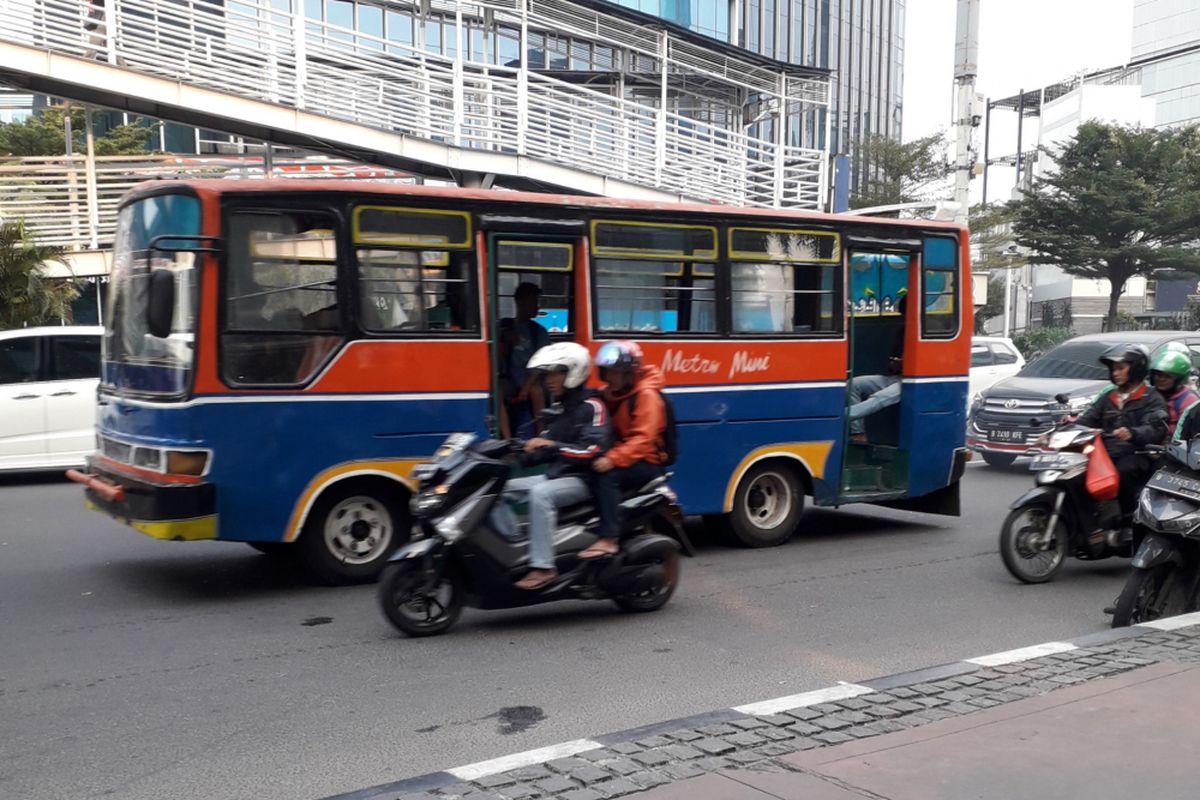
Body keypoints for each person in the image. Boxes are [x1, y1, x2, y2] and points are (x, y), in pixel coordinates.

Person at [492, 342, 611, 590]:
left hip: (583, 480)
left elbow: (592, 451)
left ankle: (543, 567)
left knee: (540, 494)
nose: (549, 380)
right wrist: (518, 453)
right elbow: (545, 447)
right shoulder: (560, 408)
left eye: (556, 373)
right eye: (547, 375)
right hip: (557, 475)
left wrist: (552, 446)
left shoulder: (593, 406)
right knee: (498, 491)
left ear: (574, 372)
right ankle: (519, 551)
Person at [583, 341, 669, 560]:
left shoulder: (646, 395)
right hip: (627, 456)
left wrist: (612, 459)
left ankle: (609, 538)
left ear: (630, 373)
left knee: (606, 475)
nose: (610, 377)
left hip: (647, 462)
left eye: (616, 372)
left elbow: (643, 439)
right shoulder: (611, 394)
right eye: (607, 372)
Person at [1076, 344, 1167, 532]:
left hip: (1138, 453)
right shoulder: (1109, 397)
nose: (1115, 373)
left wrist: (1133, 433)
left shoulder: (1152, 397)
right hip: (1105, 453)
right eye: (1113, 369)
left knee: (1124, 470)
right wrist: (1064, 428)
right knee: (1075, 471)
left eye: (1120, 368)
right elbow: (1088, 419)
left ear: (1136, 368)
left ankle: (1128, 520)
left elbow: (1154, 428)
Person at [847, 295, 906, 443]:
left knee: (880, 398)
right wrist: (896, 363)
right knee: (853, 384)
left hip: (913, 382)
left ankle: (840, 416)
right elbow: (892, 361)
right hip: (895, 377)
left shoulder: (930, 328)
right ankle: (858, 433)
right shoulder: (903, 331)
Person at [498, 282, 550, 439]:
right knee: (498, 391)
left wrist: (525, 391)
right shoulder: (504, 326)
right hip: (510, 378)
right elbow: (497, 359)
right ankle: (507, 439)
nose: (537, 306)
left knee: (537, 391)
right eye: (533, 301)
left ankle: (540, 437)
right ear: (519, 302)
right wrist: (505, 342)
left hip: (531, 378)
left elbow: (540, 365)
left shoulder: (539, 331)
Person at [1148, 349, 1198, 442]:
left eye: (1167, 376)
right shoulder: (1149, 395)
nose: (1161, 379)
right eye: (1158, 375)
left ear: (1179, 379)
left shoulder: (1187, 401)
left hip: (1172, 451)